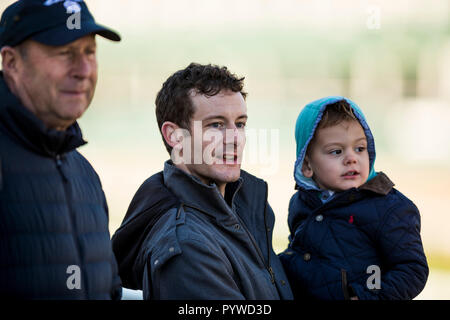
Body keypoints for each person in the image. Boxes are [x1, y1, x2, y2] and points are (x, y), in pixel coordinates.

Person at [111, 63, 293, 300]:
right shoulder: (186, 245)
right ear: (174, 136)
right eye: (216, 125)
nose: (234, 139)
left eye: (240, 124)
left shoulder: (244, 206)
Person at [0, 0, 122, 299]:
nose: (82, 70)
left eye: (89, 53)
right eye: (64, 53)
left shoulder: (84, 173)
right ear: (11, 63)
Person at [278, 96, 429, 300]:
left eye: (360, 148)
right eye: (336, 151)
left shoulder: (389, 207)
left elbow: (412, 269)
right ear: (306, 165)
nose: (351, 158)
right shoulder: (301, 202)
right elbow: (300, 250)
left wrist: (365, 297)